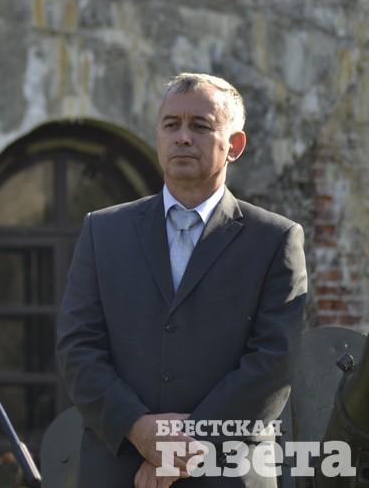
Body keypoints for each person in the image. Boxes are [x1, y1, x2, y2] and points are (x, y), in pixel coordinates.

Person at [56, 73, 307, 487]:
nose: (183, 137)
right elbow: (77, 347)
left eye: (201, 126)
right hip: (121, 467)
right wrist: (139, 429)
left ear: (235, 145)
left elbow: (274, 362)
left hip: (226, 469)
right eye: (171, 125)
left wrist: (184, 449)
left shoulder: (274, 239)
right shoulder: (103, 232)